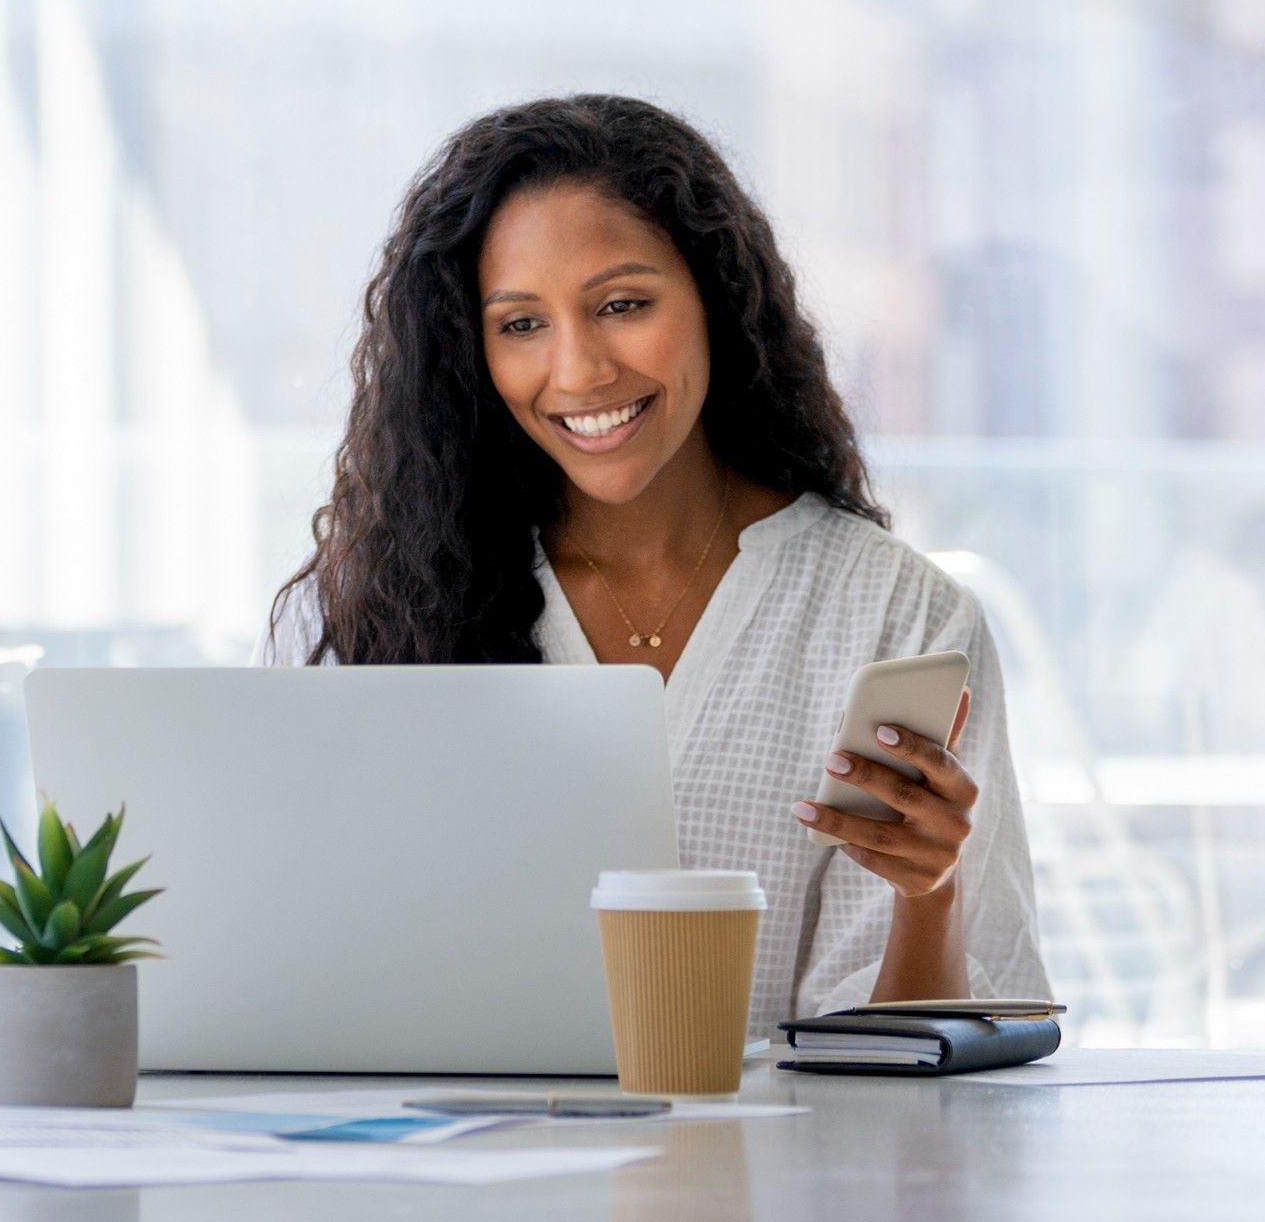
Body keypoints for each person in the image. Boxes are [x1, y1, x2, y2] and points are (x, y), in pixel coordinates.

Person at [265, 93, 1049, 1024]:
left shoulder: (896, 618)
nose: (579, 371)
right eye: (521, 324)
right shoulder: (361, 614)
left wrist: (931, 896)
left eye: (623, 305)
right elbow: (303, 986)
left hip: (781, 1170)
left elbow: (915, 1097)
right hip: (454, 1162)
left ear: (717, 296)